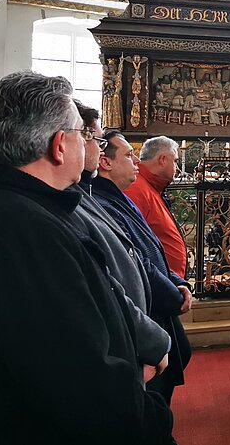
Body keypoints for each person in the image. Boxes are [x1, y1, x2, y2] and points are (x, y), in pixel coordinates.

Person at [0, 72, 173, 445]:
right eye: (81, 133)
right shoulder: (21, 230)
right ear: (59, 146)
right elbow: (82, 386)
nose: (88, 142)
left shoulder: (8, 209)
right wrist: (154, 416)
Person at [92, 132, 192, 404]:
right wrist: (172, 293)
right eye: (128, 155)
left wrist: (175, 281)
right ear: (106, 162)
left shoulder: (128, 192)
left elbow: (150, 244)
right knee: (156, 388)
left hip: (161, 292)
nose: (136, 161)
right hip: (149, 302)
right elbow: (135, 258)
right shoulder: (128, 192)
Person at [72, 101, 171, 377]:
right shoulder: (79, 201)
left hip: (140, 327)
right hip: (122, 347)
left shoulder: (86, 197)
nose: (136, 162)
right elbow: (104, 282)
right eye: (95, 140)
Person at [125, 136, 188, 279]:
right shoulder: (135, 188)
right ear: (162, 159)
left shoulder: (151, 186)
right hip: (158, 282)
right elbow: (134, 245)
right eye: (175, 161)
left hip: (167, 280)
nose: (177, 168)